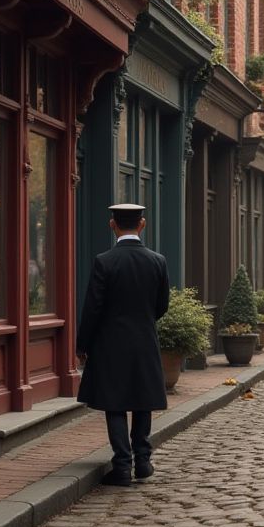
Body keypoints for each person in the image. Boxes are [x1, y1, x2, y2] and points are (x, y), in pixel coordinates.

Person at [76, 203, 170, 487]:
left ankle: (121, 466)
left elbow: (92, 307)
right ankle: (143, 461)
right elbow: (162, 306)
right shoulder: (158, 261)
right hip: (144, 340)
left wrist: (83, 345)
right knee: (143, 400)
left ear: (112, 224)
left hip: (110, 343)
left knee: (114, 403)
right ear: (142, 225)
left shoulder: (104, 261)